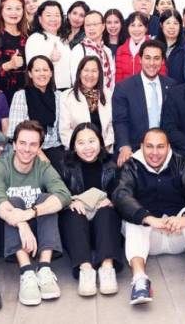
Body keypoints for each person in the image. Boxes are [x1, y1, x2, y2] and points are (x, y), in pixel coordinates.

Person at [112, 128, 185, 304]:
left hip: (177, 233)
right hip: (148, 238)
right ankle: (140, 281)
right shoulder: (131, 166)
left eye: (160, 147)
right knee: (134, 218)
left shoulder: (180, 163)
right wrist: (149, 219)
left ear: (168, 147)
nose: (154, 153)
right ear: (141, 146)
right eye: (149, 147)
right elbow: (121, 195)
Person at [0, 120, 71, 306]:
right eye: (22, 143)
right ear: (14, 144)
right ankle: (27, 272)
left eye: (33, 144)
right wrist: (21, 221)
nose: (27, 149)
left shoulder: (43, 167)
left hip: (37, 240)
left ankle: (45, 269)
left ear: (39, 147)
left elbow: (64, 195)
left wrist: (31, 213)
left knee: (47, 200)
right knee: (13, 202)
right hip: (4, 240)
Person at [58, 123, 123, 296]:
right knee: (72, 213)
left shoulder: (112, 163)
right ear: (73, 146)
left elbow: (123, 189)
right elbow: (56, 191)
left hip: (103, 228)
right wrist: (69, 201)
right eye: (81, 143)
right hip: (78, 229)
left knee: (108, 212)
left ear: (100, 142)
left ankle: (107, 268)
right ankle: (85, 269)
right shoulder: (64, 164)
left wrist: (112, 199)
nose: (87, 147)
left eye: (91, 141)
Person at [112, 40, 176, 166]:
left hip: (166, 149)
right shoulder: (124, 87)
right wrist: (124, 146)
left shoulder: (172, 86)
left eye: (156, 58)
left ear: (162, 61)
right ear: (140, 59)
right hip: (136, 149)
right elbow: (120, 121)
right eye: (147, 58)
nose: (152, 63)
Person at [7, 56, 64, 170]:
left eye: (45, 70)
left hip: (54, 146)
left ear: (51, 73)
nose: (42, 74)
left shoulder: (58, 96)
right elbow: (14, 132)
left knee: (66, 172)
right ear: (30, 74)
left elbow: (61, 131)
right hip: (28, 148)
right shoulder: (21, 96)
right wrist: (40, 154)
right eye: (37, 70)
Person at [60, 56, 114, 151]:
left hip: (104, 150)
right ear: (79, 73)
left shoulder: (108, 94)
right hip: (77, 151)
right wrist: (82, 149)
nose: (90, 75)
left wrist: (104, 147)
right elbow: (64, 130)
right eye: (86, 70)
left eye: (94, 71)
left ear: (99, 74)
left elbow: (111, 125)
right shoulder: (67, 96)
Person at [0, 0, 29, 104]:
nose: (14, 12)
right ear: (1, 11)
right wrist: (9, 65)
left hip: (26, 94)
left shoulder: (28, 36)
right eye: (9, 8)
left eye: (18, 8)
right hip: (2, 96)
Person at [25, 0, 73, 90]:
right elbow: (32, 68)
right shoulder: (35, 39)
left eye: (57, 15)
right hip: (46, 90)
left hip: (66, 90)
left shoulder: (63, 40)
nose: (53, 19)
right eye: (48, 15)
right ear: (40, 19)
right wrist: (51, 60)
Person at [70, 10, 114, 90]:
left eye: (95, 24)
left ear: (103, 26)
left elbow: (112, 79)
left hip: (106, 97)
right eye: (88, 25)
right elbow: (75, 80)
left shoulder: (107, 51)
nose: (91, 28)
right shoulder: (79, 49)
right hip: (86, 98)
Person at [115, 12, 157, 83]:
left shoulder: (155, 48)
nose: (136, 29)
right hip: (126, 92)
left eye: (140, 25)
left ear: (146, 28)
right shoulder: (121, 50)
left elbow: (161, 74)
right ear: (128, 28)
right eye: (132, 25)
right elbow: (118, 78)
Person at [154, 9, 185, 83]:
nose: (172, 27)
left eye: (175, 23)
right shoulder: (153, 46)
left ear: (180, 26)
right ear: (161, 25)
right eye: (168, 23)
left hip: (178, 91)